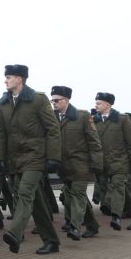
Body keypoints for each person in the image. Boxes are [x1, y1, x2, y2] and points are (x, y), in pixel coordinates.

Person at [0, 64, 62, 255]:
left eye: (9, 77)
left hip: (35, 156)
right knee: (35, 202)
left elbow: (53, 129)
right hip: (15, 159)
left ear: (20, 79)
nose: (6, 80)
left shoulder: (37, 99)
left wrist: (53, 157)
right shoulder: (4, 102)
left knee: (24, 193)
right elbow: (1, 133)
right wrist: (0, 158)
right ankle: (51, 241)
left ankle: (15, 234)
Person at [50, 86, 103, 240]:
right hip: (63, 167)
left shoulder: (82, 116)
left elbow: (95, 143)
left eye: (57, 100)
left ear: (66, 100)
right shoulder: (52, 117)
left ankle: (75, 226)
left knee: (78, 195)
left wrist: (96, 164)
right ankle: (92, 226)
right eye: (52, 100)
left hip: (81, 165)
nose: (54, 103)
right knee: (70, 196)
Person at [92, 92, 131, 232]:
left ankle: (116, 217)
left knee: (117, 186)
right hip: (102, 164)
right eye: (96, 103)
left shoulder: (122, 119)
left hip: (119, 162)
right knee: (114, 191)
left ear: (108, 104)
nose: (96, 105)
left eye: (99, 103)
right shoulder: (93, 121)